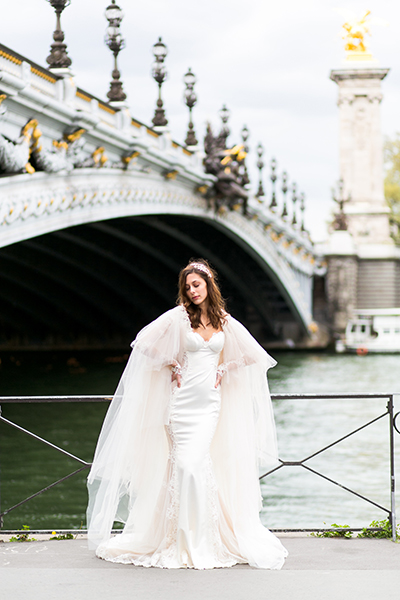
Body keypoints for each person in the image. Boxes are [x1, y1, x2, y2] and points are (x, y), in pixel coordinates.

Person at [87, 259, 288, 569]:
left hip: (209, 403)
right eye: (188, 287)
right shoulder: (180, 318)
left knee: (196, 464)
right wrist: (173, 363)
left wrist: (224, 366)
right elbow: (144, 343)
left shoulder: (224, 320)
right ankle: (182, 539)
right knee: (185, 465)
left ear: (209, 285)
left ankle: (203, 538)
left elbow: (253, 355)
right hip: (181, 404)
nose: (192, 291)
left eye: (197, 284)